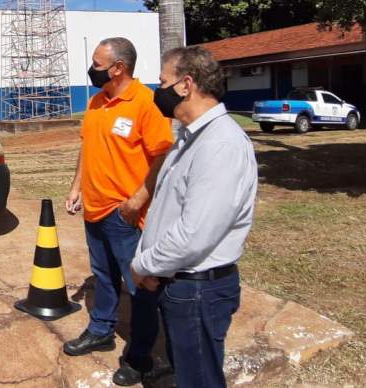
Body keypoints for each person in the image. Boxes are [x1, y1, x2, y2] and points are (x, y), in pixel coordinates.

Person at [131, 46, 257, 388]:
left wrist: (143, 265)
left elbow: (194, 234)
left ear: (186, 85)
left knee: (199, 380)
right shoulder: (190, 138)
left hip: (199, 289)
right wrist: (150, 263)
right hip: (179, 283)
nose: (157, 90)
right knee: (188, 373)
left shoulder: (221, 144)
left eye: (162, 82)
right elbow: (167, 211)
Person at [64, 38, 174, 386]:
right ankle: (101, 331)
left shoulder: (145, 103)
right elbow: (87, 147)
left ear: (118, 68)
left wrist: (138, 200)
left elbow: (162, 155)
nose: (92, 69)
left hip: (125, 214)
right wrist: (76, 187)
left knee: (140, 285)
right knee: (103, 275)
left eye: (97, 64)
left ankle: (142, 356)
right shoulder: (96, 101)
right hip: (94, 209)